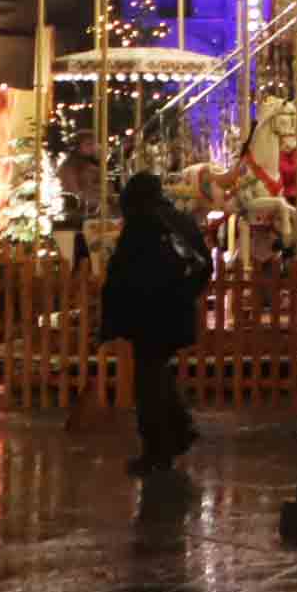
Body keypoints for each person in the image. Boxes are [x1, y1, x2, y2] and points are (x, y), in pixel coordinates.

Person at [99, 172, 212, 475]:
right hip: (175, 311)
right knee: (156, 372)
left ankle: (158, 448)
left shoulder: (141, 224)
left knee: (148, 381)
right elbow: (205, 264)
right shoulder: (180, 221)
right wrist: (185, 295)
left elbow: (122, 272)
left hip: (148, 314)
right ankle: (179, 428)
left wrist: (113, 317)